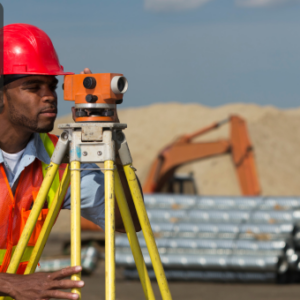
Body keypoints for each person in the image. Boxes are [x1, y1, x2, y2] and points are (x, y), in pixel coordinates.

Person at [0, 23, 141, 300]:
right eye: (33, 86)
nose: (49, 96)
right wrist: (10, 284)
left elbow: (128, 221)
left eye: (52, 86)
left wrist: (108, 136)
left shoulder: (61, 158)